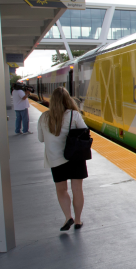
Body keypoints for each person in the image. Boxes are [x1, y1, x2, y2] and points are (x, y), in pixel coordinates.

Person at [38, 87, 87, 231]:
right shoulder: (74, 115)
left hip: (55, 159)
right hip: (75, 157)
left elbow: (41, 139)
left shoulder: (44, 117)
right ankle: (78, 221)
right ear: (68, 100)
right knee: (77, 189)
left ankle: (68, 217)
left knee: (61, 190)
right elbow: (85, 132)